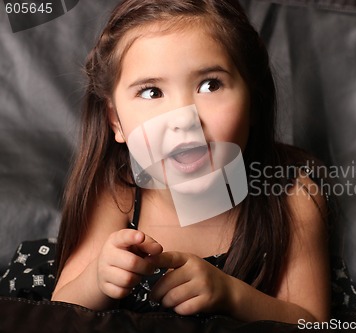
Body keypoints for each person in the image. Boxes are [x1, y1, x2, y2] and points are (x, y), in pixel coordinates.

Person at [52, 0, 332, 323]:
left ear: (253, 102)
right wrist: (97, 279)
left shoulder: (292, 198)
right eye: (152, 92)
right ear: (115, 122)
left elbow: (311, 321)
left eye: (210, 85)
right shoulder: (119, 192)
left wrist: (231, 294)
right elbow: (60, 307)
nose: (183, 120)